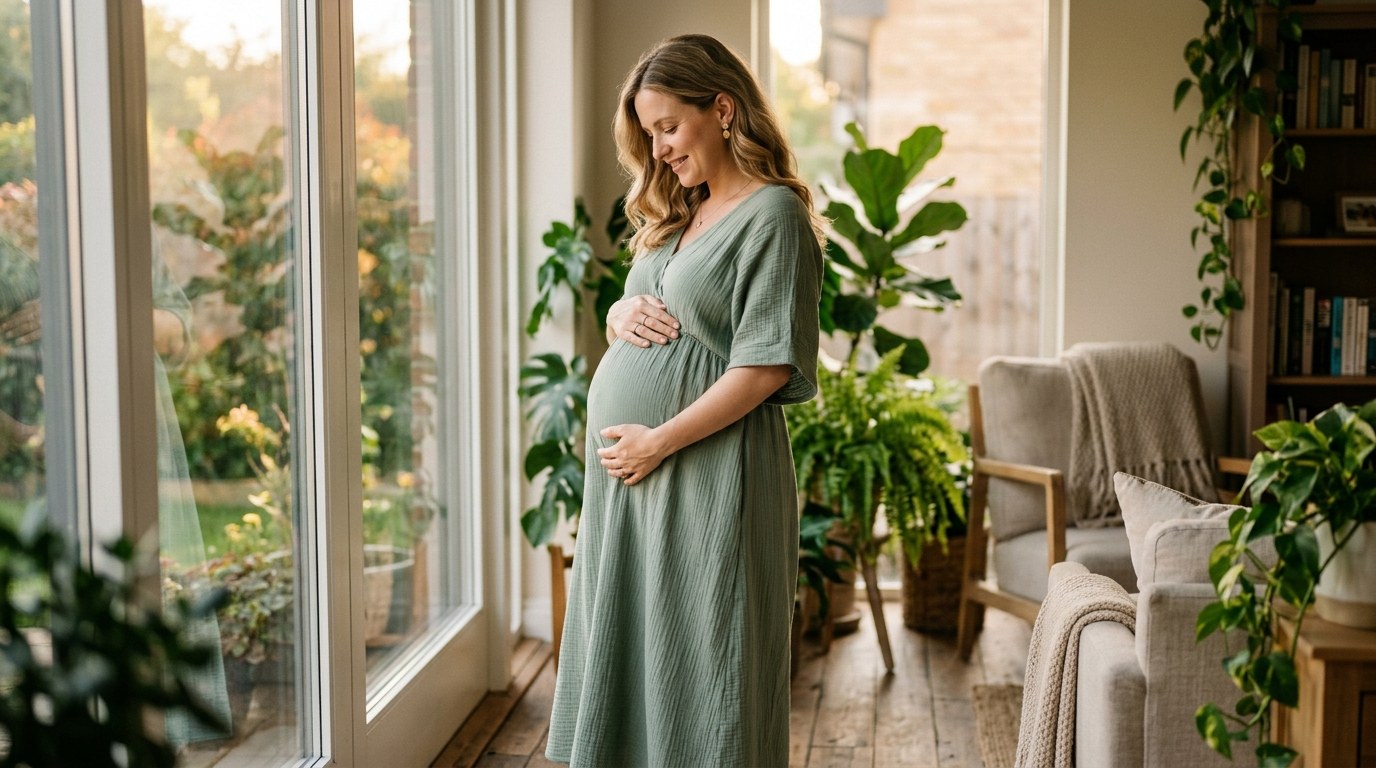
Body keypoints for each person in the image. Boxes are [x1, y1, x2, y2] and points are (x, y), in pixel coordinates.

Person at [546, 33, 825, 768]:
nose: (659, 148)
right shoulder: (680, 213)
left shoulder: (773, 215)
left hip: (708, 470)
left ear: (723, 110)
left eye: (669, 126)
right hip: (634, 479)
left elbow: (766, 366)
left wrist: (657, 441)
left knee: (708, 667)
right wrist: (618, 314)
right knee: (637, 653)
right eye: (649, 134)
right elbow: (650, 310)